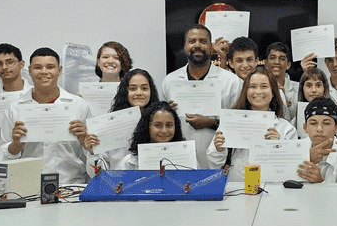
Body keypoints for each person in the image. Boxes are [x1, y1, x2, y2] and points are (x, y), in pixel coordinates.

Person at [1, 47, 92, 184]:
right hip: (27, 187)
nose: (44, 72)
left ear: (59, 70)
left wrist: (85, 141)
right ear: (30, 70)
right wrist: (15, 146)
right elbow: (1, 159)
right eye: (38, 67)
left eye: (50, 67)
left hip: (70, 186)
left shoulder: (79, 106)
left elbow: (95, 157)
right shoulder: (14, 108)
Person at [160, 25, 243, 168]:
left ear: (211, 47)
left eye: (203, 41)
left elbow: (239, 126)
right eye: (192, 41)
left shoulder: (232, 82)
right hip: (179, 162)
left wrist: (212, 123)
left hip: (220, 162)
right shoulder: (170, 81)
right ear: (185, 46)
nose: (197, 45)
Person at [208, 65, 297, 180]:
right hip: (235, 188)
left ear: (273, 92)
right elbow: (214, 164)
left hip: (271, 191)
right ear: (245, 91)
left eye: (264, 86)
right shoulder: (231, 123)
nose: (258, 92)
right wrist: (219, 149)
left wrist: (276, 147)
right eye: (252, 87)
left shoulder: (286, 129)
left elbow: (290, 169)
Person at [82, 68, 161, 174]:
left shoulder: (161, 123)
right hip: (118, 186)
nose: (139, 93)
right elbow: (96, 174)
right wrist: (92, 153)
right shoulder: (109, 125)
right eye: (133, 89)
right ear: (125, 92)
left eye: (144, 88)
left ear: (151, 91)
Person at [296, 98, 337, 184]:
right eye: (313, 123)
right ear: (305, 127)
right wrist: (307, 158)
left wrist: (320, 182)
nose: (319, 129)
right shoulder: (294, 151)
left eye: (326, 123)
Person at [115, 101, 185, 170]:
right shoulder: (129, 162)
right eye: (158, 125)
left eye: (169, 125)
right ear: (147, 127)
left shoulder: (187, 157)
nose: (164, 131)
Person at [264, 41, 298, 122]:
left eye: (282, 59)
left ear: (288, 65)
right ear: (265, 63)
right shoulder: (258, 87)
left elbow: (299, 120)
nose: (277, 62)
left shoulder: (299, 88)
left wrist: (285, 100)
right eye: (272, 58)